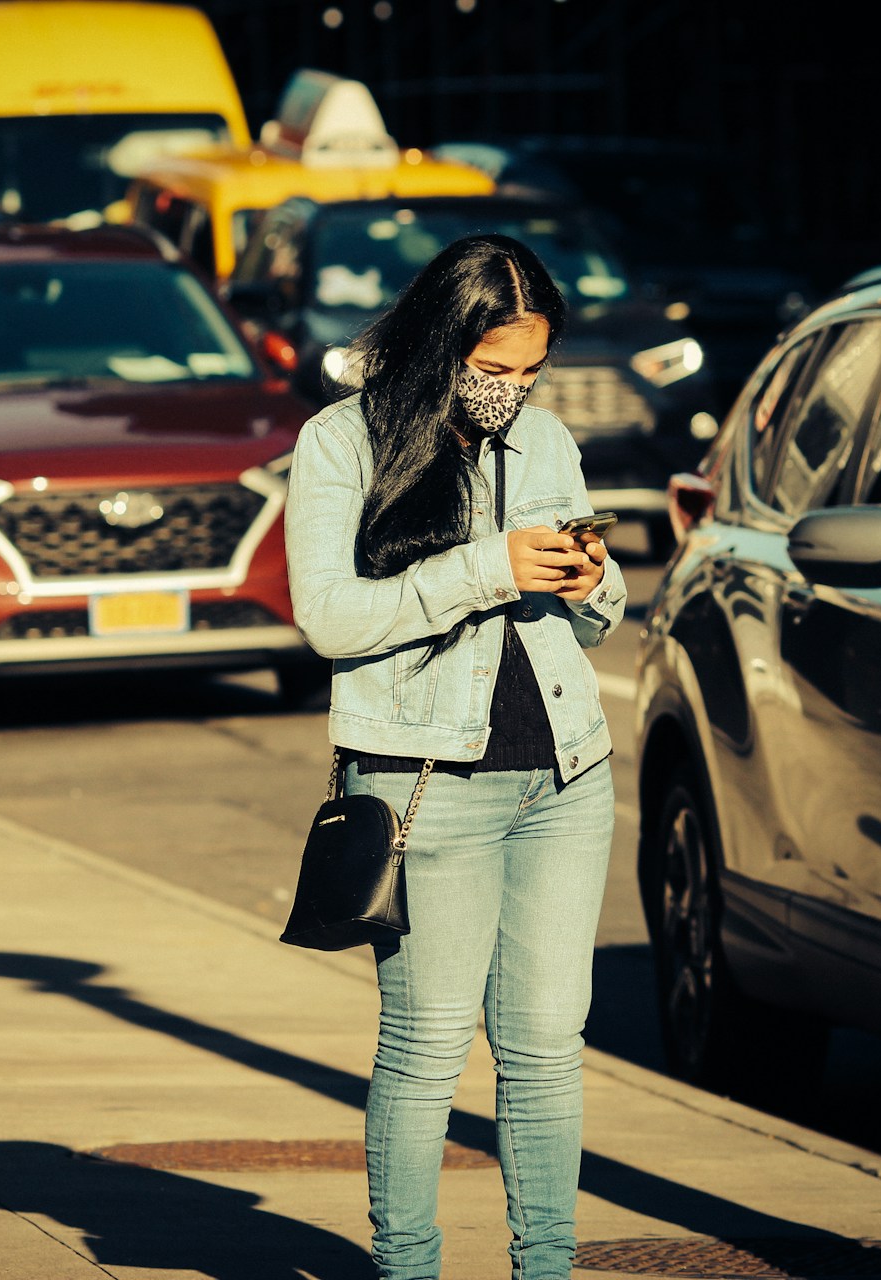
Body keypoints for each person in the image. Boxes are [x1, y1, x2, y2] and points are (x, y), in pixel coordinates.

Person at [284, 233, 626, 1280]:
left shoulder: (551, 442)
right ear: (442, 344)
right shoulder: (342, 443)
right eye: (492, 370)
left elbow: (601, 618)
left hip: (566, 775)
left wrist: (590, 583)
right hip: (428, 785)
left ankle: (548, 1268)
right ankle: (409, 1268)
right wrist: (485, 566)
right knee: (428, 1047)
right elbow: (330, 619)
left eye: (531, 371)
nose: (511, 393)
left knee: (545, 1049)